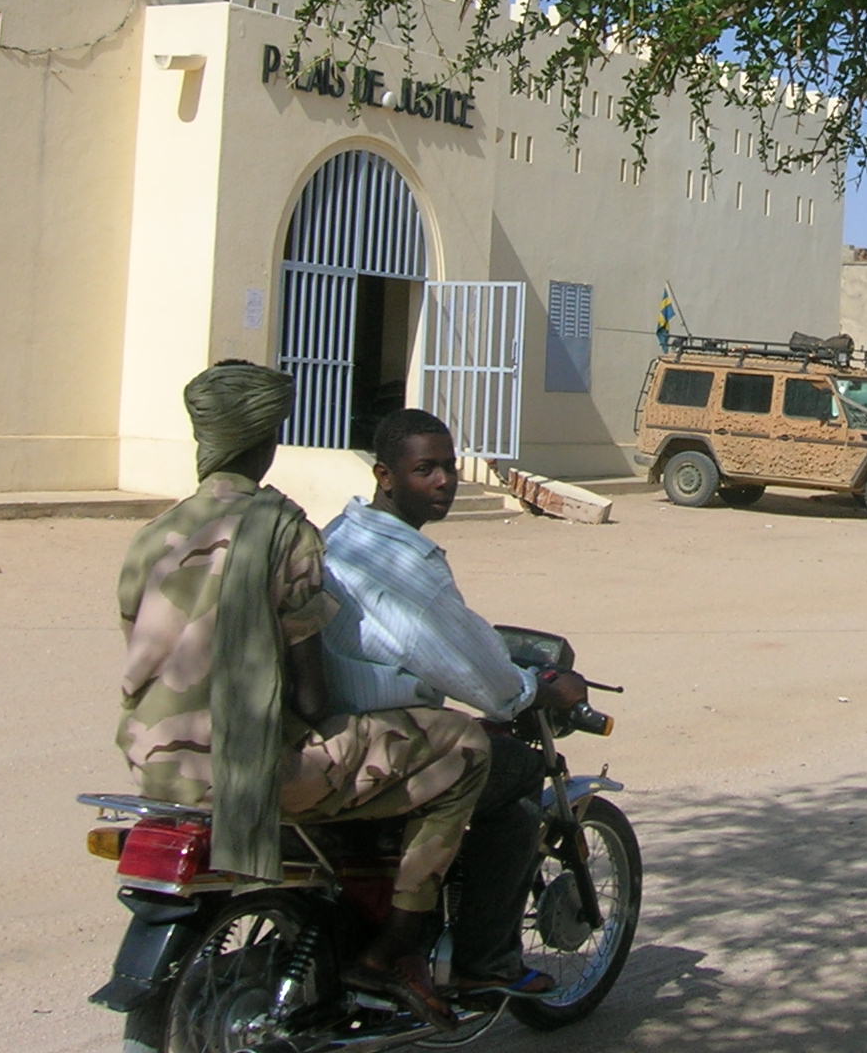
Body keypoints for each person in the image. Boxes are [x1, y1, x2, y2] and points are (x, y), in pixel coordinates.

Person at [116, 361, 491, 1026]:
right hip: (254, 771)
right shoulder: (283, 530)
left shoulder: (153, 535)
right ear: (266, 441)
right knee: (465, 746)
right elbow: (315, 698)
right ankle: (397, 949)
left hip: (156, 768)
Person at [321, 408, 592, 1004]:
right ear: (385, 475)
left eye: (449, 466)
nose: (445, 480)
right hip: (374, 736)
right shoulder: (408, 566)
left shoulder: (341, 534)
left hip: (324, 728)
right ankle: (482, 959)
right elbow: (474, 671)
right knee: (518, 773)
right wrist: (538, 690)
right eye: (426, 469)